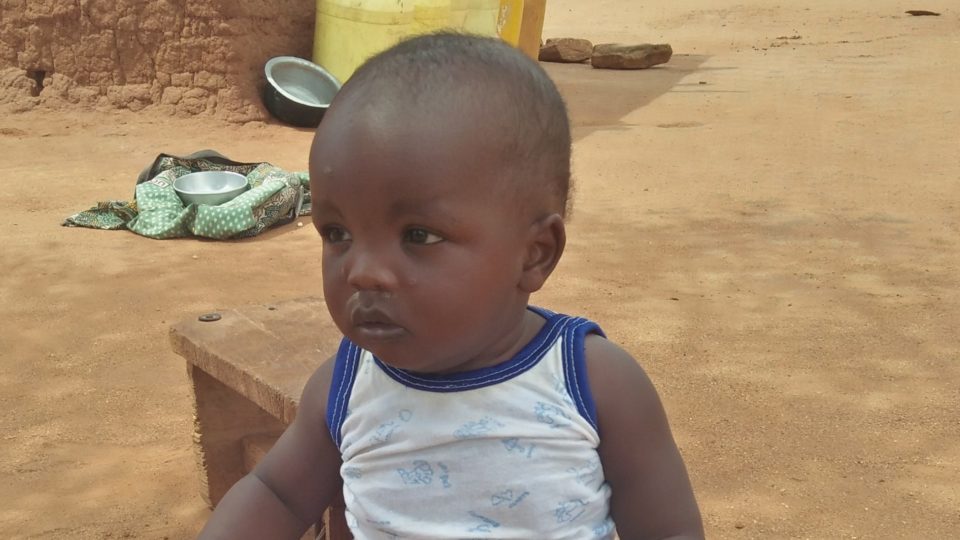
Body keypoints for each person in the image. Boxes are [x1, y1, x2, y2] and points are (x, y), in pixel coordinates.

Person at [199, 33, 703, 539]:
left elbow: (671, 531)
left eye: (419, 235)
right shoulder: (347, 387)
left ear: (535, 254)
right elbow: (277, 494)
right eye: (338, 234)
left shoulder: (591, 383)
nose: (363, 271)